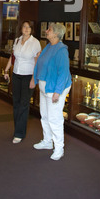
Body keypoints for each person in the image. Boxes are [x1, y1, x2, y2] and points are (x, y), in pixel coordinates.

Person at [31, 22, 72, 160]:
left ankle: (59, 148)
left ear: (56, 34)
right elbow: (39, 64)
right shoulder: (48, 46)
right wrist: (34, 80)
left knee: (54, 118)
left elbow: (64, 73)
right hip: (45, 88)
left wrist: (57, 92)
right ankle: (47, 141)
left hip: (54, 88)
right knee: (45, 115)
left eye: (49, 29)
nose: (47, 31)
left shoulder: (61, 50)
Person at [4, 21, 41, 144]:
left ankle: (20, 133)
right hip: (16, 75)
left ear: (32, 29)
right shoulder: (17, 40)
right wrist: (6, 70)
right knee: (16, 103)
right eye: (24, 27)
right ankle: (17, 129)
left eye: (29, 27)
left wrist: (33, 79)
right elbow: (12, 57)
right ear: (21, 28)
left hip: (28, 76)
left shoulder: (35, 43)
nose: (26, 29)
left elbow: (37, 63)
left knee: (24, 104)